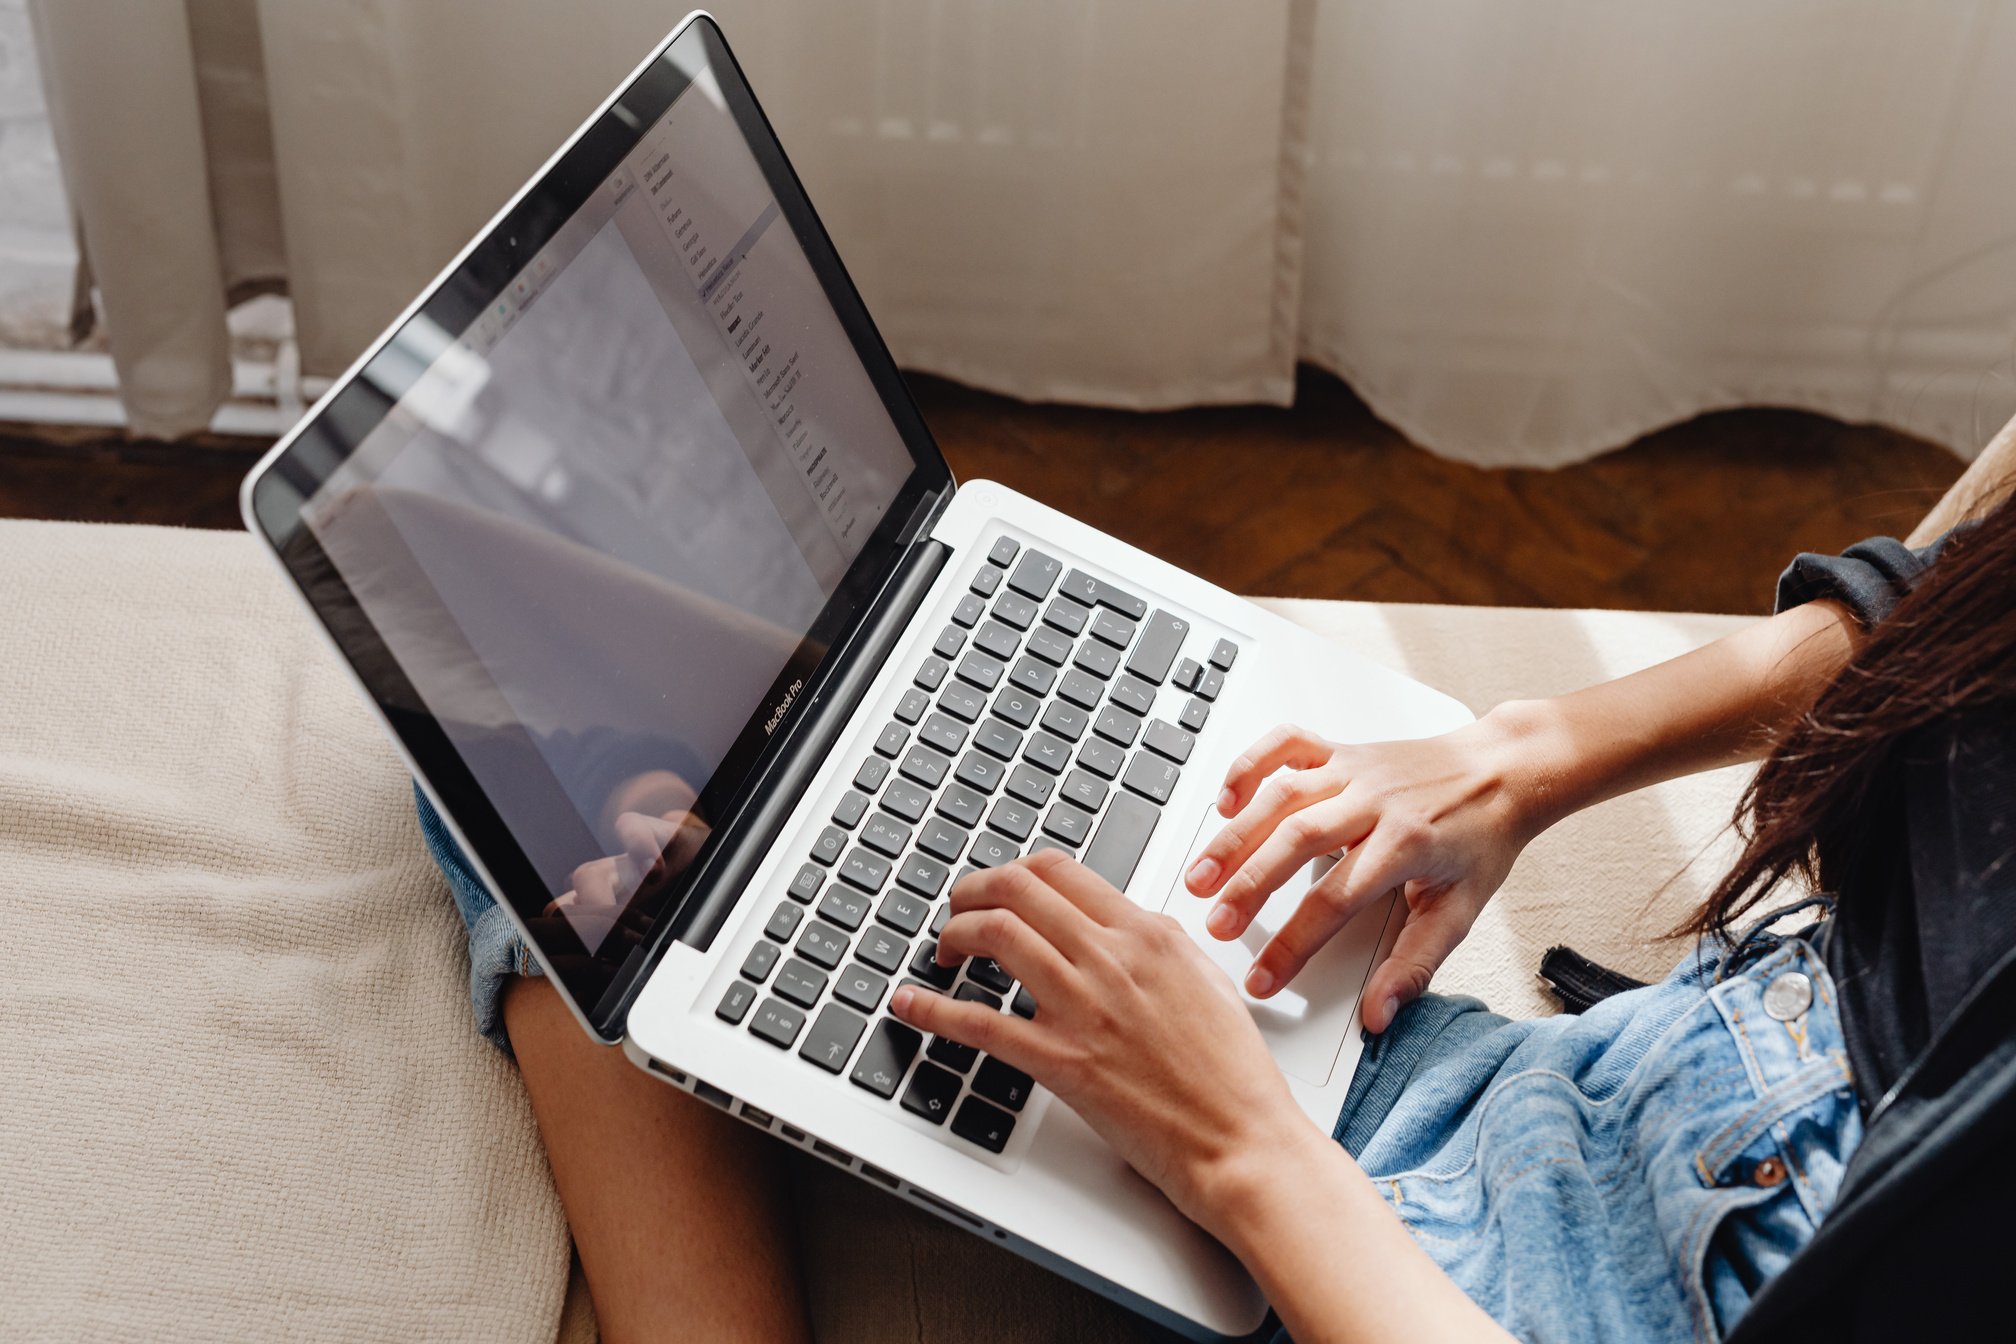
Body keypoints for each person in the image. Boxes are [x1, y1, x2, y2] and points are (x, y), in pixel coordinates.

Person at [423, 427, 2015, 1343]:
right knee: (513, 645)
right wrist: (1528, 757)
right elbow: (1948, 613)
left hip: (1464, 1292)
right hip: (1590, 1101)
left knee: (549, 799)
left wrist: (1237, 1148)